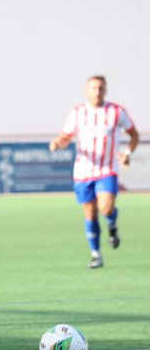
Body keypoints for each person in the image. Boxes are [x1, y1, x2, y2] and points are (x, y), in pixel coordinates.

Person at [50, 75, 139, 269]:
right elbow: (66, 136)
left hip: (107, 169)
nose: (97, 91)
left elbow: (134, 134)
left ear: (105, 90)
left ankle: (112, 223)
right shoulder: (77, 113)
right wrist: (58, 143)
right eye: (93, 88)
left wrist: (127, 152)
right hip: (83, 170)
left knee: (106, 207)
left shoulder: (116, 112)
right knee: (90, 213)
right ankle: (96, 254)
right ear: (87, 91)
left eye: (100, 88)